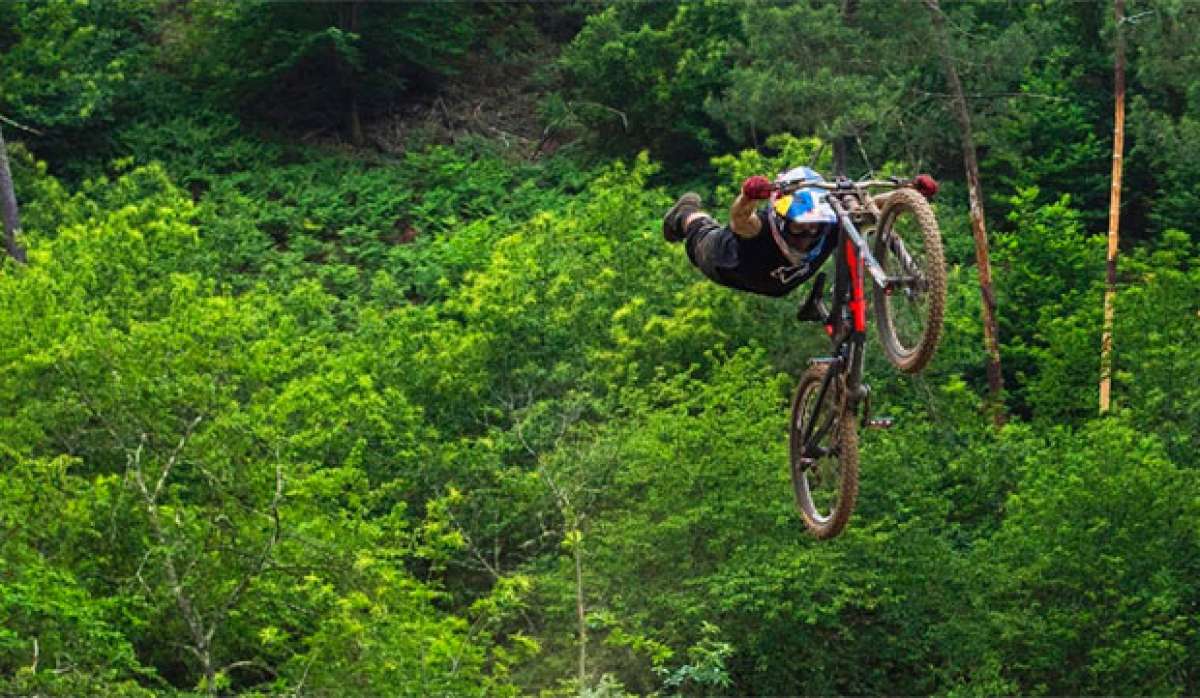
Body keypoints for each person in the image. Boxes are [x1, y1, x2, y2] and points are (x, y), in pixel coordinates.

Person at [662, 167, 937, 299]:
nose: (807, 233)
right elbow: (739, 218)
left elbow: (876, 204)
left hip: (778, 285)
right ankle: (684, 212)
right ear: (782, 221)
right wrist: (748, 195)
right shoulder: (762, 227)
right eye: (798, 227)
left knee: (857, 215)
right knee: (698, 228)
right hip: (726, 264)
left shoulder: (829, 221)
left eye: (814, 227)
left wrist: (909, 192)